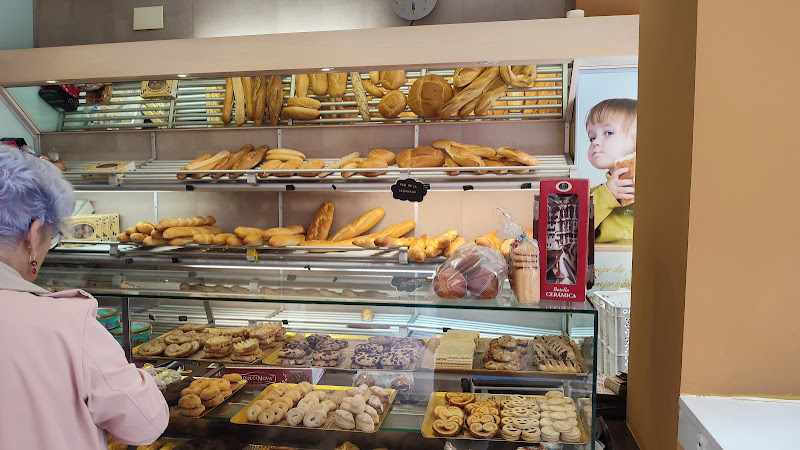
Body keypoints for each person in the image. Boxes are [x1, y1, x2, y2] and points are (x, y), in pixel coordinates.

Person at [0, 147, 169, 449]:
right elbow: (144, 424)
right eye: (51, 237)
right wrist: (144, 382)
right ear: (33, 232)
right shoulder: (63, 325)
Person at [586, 98, 637, 243]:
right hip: (603, 265)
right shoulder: (594, 195)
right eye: (592, 137)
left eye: (608, 132)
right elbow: (575, 233)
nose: (595, 142)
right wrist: (608, 195)